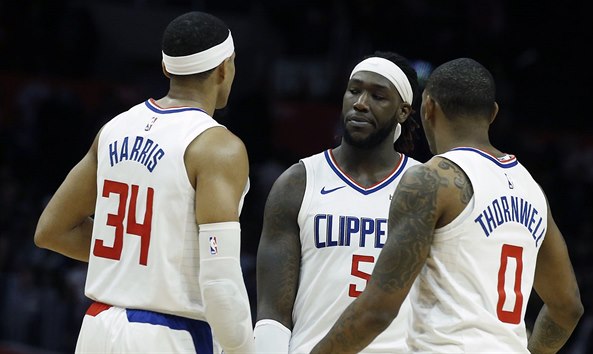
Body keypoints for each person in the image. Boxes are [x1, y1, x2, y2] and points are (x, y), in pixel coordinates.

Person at [311, 58, 584, 354]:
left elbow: (377, 310)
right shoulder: (531, 189)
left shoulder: (431, 180)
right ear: (492, 114)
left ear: (428, 107)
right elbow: (567, 308)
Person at [34, 11, 254, 354]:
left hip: (96, 327)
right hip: (168, 336)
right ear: (226, 68)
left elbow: (52, 230)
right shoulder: (218, 147)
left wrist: (138, 262)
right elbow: (221, 284)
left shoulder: (114, 128)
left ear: (166, 68)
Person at [254, 51, 422, 353]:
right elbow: (273, 313)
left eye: (378, 96)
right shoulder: (298, 182)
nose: (360, 103)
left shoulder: (426, 186)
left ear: (403, 112)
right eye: (354, 90)